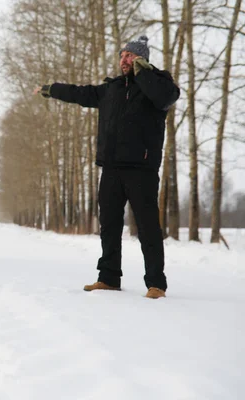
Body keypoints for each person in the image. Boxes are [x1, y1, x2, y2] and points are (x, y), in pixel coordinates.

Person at [33, 35, 180, 299]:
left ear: (142, 59)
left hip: (141, 169)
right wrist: (51, 89)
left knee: (147, 227)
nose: (124, 60)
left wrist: (143, 73)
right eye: (122, 55)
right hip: (111, 168)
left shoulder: (159, 84)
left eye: (131, 56)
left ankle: (156, 283)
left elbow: (165, 98)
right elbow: (80, 93)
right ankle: (109, 277)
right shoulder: (110, 89)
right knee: (109, 225)